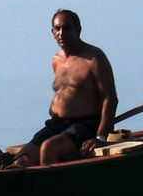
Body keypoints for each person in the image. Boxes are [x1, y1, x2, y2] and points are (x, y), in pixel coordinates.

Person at [15, 9, 118, 167]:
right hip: (57, 124)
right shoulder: (57, 61)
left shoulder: (94, 58)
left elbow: (110, 98)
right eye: (57, 29)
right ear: (53, 32)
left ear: (78, 30)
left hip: (85, 126)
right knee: (21, 159)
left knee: (48, 149)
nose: (61, 33)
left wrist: (100, 137)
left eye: (67, 28)